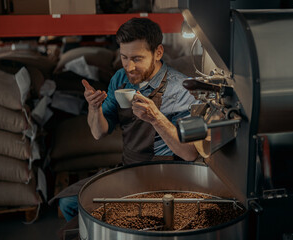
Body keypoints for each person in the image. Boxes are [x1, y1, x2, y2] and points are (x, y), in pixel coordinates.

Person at [57, 17, 199, 221]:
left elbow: (190, 153)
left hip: (167, 178)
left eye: (137, 58)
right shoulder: (120, 78)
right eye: (124, 57)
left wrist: (156, 118)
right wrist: (94, 108)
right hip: (129, 170)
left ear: (158, 52)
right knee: (69, 203)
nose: (129, 67)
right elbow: (99, 132)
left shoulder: (183, 89)